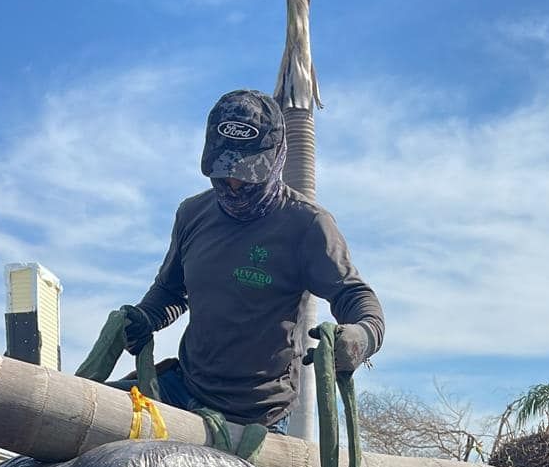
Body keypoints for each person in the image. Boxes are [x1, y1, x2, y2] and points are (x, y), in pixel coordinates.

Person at [117, 89, 385, 432]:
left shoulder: (306, 224)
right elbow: (170, 291)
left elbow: (356, 296)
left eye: (246, 173)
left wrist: (361, 337)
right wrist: (144, 317)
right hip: (185, 388)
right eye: (223, 170)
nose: (233, 183)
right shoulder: (192, 214)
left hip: (256, 413)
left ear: (276, 160)